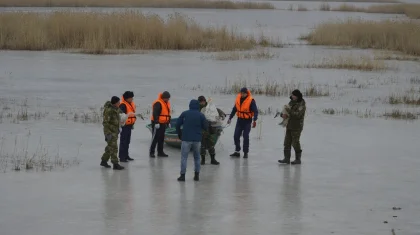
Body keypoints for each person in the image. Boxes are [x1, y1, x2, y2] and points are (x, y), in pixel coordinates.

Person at [176, 99, 208, 182]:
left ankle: (182, 176)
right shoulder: (201, 115)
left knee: (184, 157)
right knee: (197, 158)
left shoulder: (185, 113)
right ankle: (196, 175)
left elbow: (177, 124)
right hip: (197, 140)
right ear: (198, 106)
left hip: (186, 139)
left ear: (190, 105)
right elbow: (205, 127)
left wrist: (179, 133)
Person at [227, 87, 258, 159]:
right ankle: (237, 151)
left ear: (246, 93)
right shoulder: (238, 99)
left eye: (244, 93)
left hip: (247, 121)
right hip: (239, 120)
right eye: (241, 93)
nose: (242, 94)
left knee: (245, 136)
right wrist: (230, 118)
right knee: (236, 136)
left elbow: (256, 111)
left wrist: (255, 120)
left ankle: (245, 152)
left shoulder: (251, 101)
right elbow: (234, 109)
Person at [278, 89, 306, 165]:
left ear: (297, 96)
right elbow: (286, 111)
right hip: (289, 125)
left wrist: (289, 111)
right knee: (287, 142)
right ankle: (286, 159)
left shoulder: (301, 104)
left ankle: (298, 159)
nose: (292, 96)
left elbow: (297, 115)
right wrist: (282, 115)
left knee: (295, 142)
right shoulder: (291, 102)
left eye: (294, 95)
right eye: (292, 95)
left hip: (297, 126)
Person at [198, 96, 226, 165]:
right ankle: (203, 160)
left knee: (211, 144)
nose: (202, 103)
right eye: (201, 102)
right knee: (203, 144)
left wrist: (222, 115)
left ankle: (213, 159)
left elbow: (217, 110)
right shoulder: (197, 108)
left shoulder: (210, 106)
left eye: (203, 101)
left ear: (205, 101)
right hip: (202, 128)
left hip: (211, 127)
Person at [101, 96, 125, 170]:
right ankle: (115, 164)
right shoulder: (109, 111)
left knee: (110, 147)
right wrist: (107, 133)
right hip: (110, 132)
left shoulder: (116, 109)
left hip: (115, 131)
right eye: (118, 102)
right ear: (115, 103)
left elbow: (122, 115)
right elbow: (105, 123)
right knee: (114, 148)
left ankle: (104, 161)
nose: (119, 103)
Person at [149, 91, 171, 158]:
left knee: (161, 138)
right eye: (167, 98)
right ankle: (151, 152)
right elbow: (155, 113)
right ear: (164, 97)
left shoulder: (166, 103)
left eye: (168, 98)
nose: (168, 100)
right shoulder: (158, 103)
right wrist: (156, 122)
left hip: (163, 123)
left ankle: (160, 152)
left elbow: (167, 114)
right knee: (155, 138)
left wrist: (168, 122)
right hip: (157, 123)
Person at [119, 91, 136, 162]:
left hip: (129, 125)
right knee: (123, 141)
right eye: (131, 97)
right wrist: (120, 126)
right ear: (127, 98)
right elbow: (121, 117)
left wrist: (132, 124)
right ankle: (122, 157)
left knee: (127, 141)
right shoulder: (123, 105)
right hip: (124, 126)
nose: (132, 99)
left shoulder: (130, 104)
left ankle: (126, 155)